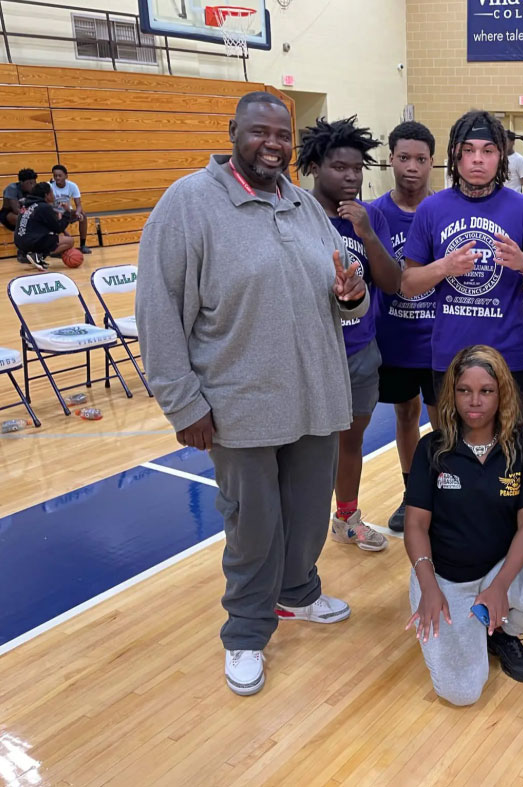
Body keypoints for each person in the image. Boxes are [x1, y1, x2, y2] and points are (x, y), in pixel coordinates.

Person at [136, 91, 370, 696]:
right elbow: (159, 314)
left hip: (315, 397)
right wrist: (184, 404)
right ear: (234, 130)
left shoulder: (302, 204)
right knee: (254, 524)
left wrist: (351, 297)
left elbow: (344, 296)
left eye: (283, 134)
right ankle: (245, 631)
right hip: (238, 404)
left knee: (308, 512)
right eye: (260, 131)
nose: (273, 143)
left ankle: (297, 594)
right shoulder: (188, 204)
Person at [404, 345, 523, 706]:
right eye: (464, 390)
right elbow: (416, 525)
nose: (474, 401)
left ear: (502, 394)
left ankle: (502, 631)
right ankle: (474, 624)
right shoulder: (431, 449)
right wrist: (428, 584)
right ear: (452, 393)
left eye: (486, 391)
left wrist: (499, 586)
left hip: (501, 569)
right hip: (445, 578)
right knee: (461, 693)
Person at [296, 116, 401, 553]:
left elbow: (392, 282)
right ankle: (298, 532)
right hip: (313, 354)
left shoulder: (367, 216)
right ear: (316, 166)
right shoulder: (295, 215)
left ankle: (347, 518)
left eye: (358, 168)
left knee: (351, 440)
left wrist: (367, 232)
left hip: (360, 349)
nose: (352, 176)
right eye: (341, 167)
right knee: (307, 450)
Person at [401, 109, 523, 421]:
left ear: (501, 157)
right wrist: (444, 267)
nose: (477, 159)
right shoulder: (431, 209)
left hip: (508, 356)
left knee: (509, 457)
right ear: (455, 156)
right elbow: (408, 283)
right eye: (468, 151)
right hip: (450, 356)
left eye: (487, 151)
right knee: (451, 456)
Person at [372, 121, 438, 533]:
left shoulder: (444, 210)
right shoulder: (375, 213)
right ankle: (412, 494)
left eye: (420, 159)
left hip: (437, 341)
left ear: (433, 163)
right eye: (403, 158)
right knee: (405, 415)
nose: (411, 167)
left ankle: (443, 498)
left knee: (445, 421)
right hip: (393, 339)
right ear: (390, 159)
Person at [14, 182, 76, 270]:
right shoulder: (44, 207)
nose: (53, 195)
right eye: (52, 192)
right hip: (31, 241)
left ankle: (34, 256)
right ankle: (38, 255)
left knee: (51, 236)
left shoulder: (27, 204)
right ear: (46, 195)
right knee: (69, 241)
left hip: (20, 241)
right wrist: (67, 213)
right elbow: (58, 228)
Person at [50, 164, 92, 254]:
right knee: (55, 216)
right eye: (55, 176)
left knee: (83, 216)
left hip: (67, 212)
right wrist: (64, 231)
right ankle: (55, 247)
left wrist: (77, 213)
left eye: (60, 175)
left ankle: (83, 245)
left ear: (66, 176)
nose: (57, 178)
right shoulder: (49, 186)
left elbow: (79, 204)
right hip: (54, 213)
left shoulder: (72, 186)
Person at [3, 168, 37, 265]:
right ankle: (22, 252)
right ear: (21, 182)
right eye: (29, 183)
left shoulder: (34, 189)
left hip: (27, 213)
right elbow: (16, 210)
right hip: (8, 213)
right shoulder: (12, 188)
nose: (32, 185)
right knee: (21, 219)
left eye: (34, 183)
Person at [504, 131, 523, 197]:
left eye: (506, 142)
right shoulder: (497, 158)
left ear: (513, 142)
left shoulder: (519, 160)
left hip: (514, 199)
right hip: (500, 200)